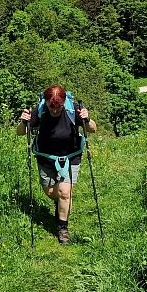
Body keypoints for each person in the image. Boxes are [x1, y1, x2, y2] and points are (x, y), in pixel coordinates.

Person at [17, 85, 96, 244]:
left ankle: (62, 228)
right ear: (45, 102)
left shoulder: (73, 109)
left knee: (65, 192)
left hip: (70, 156)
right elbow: (20, 132)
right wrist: (23, 121)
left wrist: (87, 118)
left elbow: (92, 129)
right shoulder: (40, 110)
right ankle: (60, 204)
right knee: (51, 192)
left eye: (58, 107)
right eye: (51, 107)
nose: (54, 110)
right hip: (45, 157)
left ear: (64, 102)